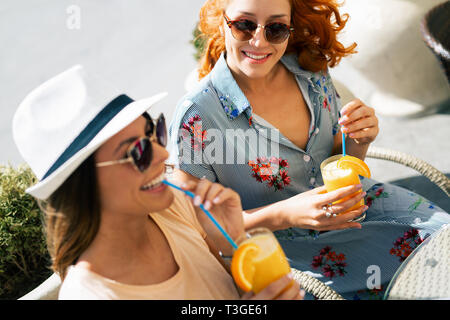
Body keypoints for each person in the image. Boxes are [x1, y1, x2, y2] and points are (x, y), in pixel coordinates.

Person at [169, 0, 450, 299]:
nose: (259, 41)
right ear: (221, 21)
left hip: (360, 207)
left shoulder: (310, 70)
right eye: (244, 25)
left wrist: (357, 141)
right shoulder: (198, 117)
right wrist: (284, 214)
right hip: (287, 257)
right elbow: (195, 227)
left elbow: (338, 163)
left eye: (276, 28)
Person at [12, 65, 303, 300]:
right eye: (137, 151)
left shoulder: (172, 209)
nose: (163, 153)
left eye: (154, 133)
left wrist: (229, 242)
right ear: (83, 185)